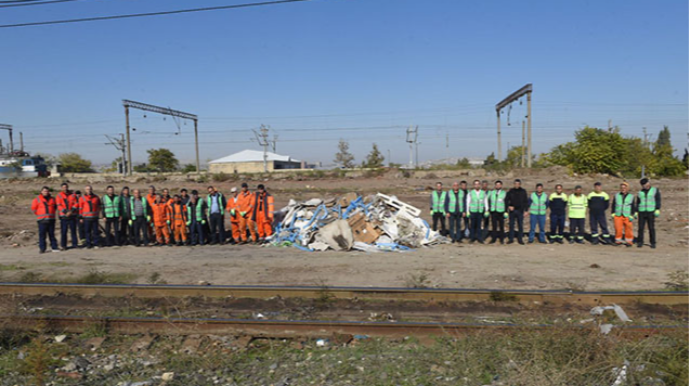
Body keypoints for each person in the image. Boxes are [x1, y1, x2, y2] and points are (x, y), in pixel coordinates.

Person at [31, 186, 59, 254]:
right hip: (42, 220)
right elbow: (34, 209)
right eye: (44, 191)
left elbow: (55, 207)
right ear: (41, 192)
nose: (46, 192)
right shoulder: (37, 199)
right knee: (42, 235)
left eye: (47, 191)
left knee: (51, 234)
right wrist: (40, 214)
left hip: (51, 219)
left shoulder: (53, 199)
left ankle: (54, 247)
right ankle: (42, 248)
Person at [637, 178, 661, 249]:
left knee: (651, 228)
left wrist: (657, 209)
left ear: (649, 183)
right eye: (644, 185)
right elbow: (638, 202)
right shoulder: (640, 192)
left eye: (647, 183)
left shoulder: (654, 190)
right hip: (641, 211)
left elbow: (658, 200)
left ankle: (653, 242)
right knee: (641, 228)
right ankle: (640, 242)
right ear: (642, 185)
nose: (646, 185)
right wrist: (636, 211)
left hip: (650, 211)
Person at [55, 182, 78, 250]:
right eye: (63, 187)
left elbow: (76, 203)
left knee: (73, 231)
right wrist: (65, 212)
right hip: (63, 216)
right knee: (64, 231)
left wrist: (71, 211)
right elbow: (59, 205)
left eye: (66, 187)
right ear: (61, 188)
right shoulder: (59, 195)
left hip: (72, 215)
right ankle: (63, 245)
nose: (65, 188)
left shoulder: (73, 195)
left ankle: (75, 244)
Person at [612, 182, 636, 247]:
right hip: (618, 215)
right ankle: (618, 240)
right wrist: (613, 213)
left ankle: (629, 241)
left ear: (627, 188)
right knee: (618, 228)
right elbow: (613, 204)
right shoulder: (616, 195)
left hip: (627, 215)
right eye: (622, 188)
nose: (623, 189)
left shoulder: (631, 196)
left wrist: (632, 214)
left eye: (624, 187)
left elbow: (633, 206)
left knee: (628, 228)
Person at [506, 179, 528, 245]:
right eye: (515, 184)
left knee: (520, 225)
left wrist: (526, 210)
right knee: (511, 225)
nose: (517, 185)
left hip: (520, 211)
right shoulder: (510, 191)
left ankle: (520, 239)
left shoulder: (523, 191)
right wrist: (509, 206)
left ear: (520, 184)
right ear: (514, 184)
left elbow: (525, 201)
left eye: (518, 184)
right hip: (512, 211)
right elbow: (506, 200)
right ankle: (511, 239)